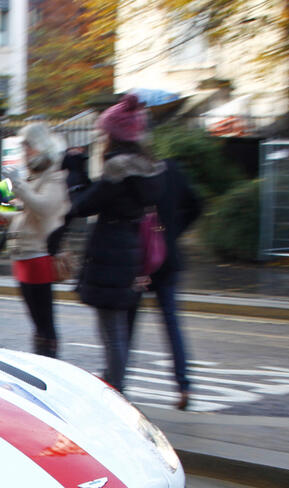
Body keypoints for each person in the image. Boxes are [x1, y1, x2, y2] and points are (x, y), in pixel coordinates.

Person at [70, 94, 166, 394]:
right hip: (133, 251)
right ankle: (117, 383)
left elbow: (83, 205)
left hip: (111, 253)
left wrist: (75, 170)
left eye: (104, 132)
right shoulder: (148, 167)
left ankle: (115, 392)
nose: (102, 138)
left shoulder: (117, 170)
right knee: (121, 330)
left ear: (115, 134)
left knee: (112, 332)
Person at [128, 158, 203, 409]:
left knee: (126, 325)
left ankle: (117, 383)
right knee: (172, 324)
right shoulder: (173, 169)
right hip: (167, 258)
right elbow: (196, 204)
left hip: (139, 258)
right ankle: (184, 385)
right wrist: (171, 232)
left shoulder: (133, 170)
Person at [3, 122, 70, 358]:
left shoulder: (54, 174)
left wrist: (19, 187)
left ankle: (49, 361)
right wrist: (3, 215)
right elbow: (25, 211)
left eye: (28, 146)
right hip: (22, 252)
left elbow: (45, 208)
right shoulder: (33, 174)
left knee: (44, 319)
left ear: (40, 145)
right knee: (35, 320)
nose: (25, 151)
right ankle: (41, 356)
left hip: (39, 253)